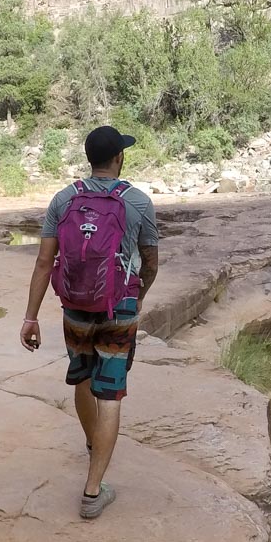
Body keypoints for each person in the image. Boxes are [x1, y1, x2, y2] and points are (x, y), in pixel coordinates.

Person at [21, 125, 159, 519]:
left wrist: (30, 317)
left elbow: (45, 262)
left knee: (81, 376)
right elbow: (150, 262)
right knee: (110, 392)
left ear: (88, 159)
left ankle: (91, 441)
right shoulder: (138, 202)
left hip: (75, 308)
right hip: (119, 309)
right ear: (119, 158)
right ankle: (93, 491)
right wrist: (137, 297)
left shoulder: (64, 200)